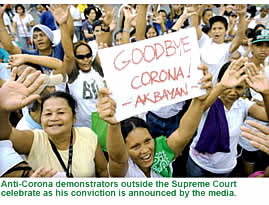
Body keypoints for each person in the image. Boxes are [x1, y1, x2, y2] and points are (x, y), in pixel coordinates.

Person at [97, 65, 212, 177]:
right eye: (135, 147)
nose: (145, 150)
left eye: (147, 141)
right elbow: (116, 158)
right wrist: (113, 124)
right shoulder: (124, 171)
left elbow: (183, 133)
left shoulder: (160, 155)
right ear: (125, 150)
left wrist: (199, 100)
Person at [0, 67, 108, 177]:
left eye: (61, 112)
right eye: (47, 114)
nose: (54, 118)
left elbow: (102, 171)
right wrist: (2, 109)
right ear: (41, 119)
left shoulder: (87, 135)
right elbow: (5, 135)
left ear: (74, 117)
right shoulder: (34, 140)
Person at [186, 57, 269, 177]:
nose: (232, 92)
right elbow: (200, 108)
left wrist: (266, 94)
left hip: (224, 168)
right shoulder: (208, 100)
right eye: (228, 87)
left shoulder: (243, 106)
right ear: (220, 82)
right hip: (198, 164)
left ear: (246, 88)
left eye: (239, 88)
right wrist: (220, 87)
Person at [191, 4, 247, 85]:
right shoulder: (205, 40)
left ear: (226, 31)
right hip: (198, 87)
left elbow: (239, 35)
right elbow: (194, 28)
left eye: (220, 28)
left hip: (215, 90)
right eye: (214, 28)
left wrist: (242, 16)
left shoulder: (227, 48)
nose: (217, 31)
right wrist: (194, 10)